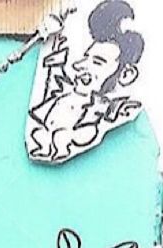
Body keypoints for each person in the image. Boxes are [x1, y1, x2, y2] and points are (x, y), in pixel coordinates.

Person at [27, 1, 146, 165]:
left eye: (97, 62)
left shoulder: (111, 109)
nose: (79, 66)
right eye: (85, 58)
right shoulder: (63, 94)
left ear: (126, 75)